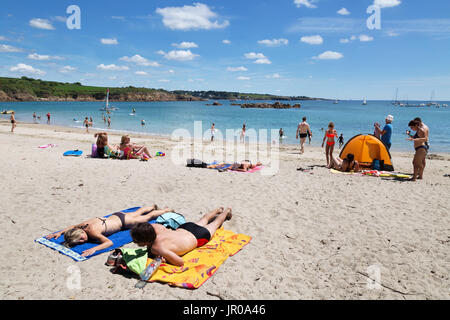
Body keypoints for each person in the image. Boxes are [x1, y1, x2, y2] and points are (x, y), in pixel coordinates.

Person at [45, 205, 171, 257]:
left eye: (81, 238)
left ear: (81, 232)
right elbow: (72, 226)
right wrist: (59, 232)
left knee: (147, 218)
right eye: (80, 242)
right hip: (117, 216)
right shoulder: (82, 226)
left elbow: (109, 243)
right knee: (137, 212)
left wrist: (95, 249)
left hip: (124, 223)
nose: (82, 241)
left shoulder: (93, 232)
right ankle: (151, 206)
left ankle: (165, 210)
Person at [131, 207, 233, 266]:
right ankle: (217, 210)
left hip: (197, 237)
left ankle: (226, 211)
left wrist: (166, 260)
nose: (136, 243)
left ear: (145, 241)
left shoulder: (157, 248)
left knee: (216, 223)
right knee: (203, 220)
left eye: (137, 241)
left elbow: (180, 262)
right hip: (185, 227)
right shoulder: (155, 228)